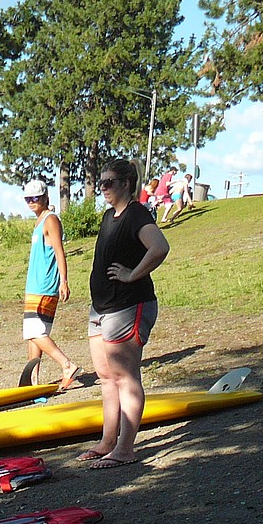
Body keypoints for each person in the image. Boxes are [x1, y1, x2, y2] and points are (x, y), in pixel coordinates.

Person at [78, 159, 170, 470]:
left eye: (110, 182)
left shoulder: (136, 214)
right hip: (101, 307)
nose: (103, 188)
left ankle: (125, 448)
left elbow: (159, 247)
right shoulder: (109, 216)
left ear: (127, 184)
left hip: (129, 305)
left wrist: (133, 275)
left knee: (125, 377)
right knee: (106, 377)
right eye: (101, 182)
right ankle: (107, 442)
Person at [21, 179, 79, 390]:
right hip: (34, 285)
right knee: (34, 334)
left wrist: (64, 281)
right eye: (28, 199)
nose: (31, 202)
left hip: (44, 285)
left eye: (35, 198)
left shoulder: (51, 220)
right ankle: (32, 379)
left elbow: (59, 251)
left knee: (35, 332)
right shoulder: (39, 221)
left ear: (45, 197)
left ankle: (67, 365)